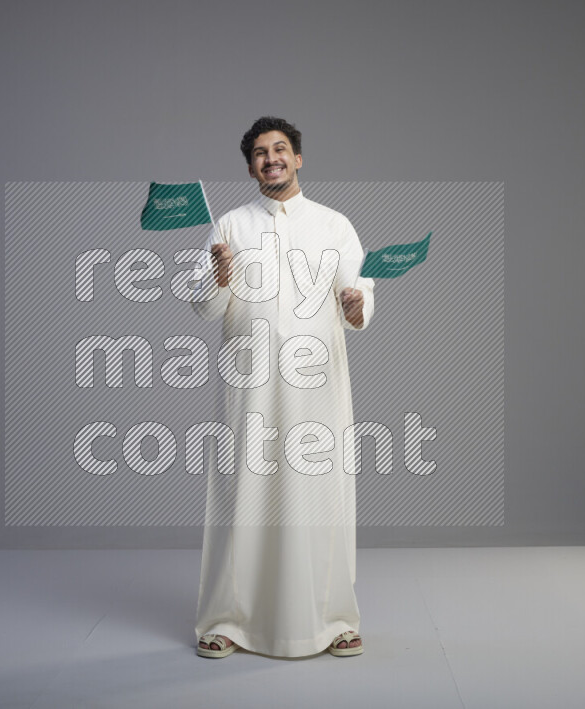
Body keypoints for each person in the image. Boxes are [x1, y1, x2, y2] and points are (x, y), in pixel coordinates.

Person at [190, 117, 375, 658]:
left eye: (281, 149)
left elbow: (358, 289)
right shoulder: (229, 225)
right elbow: (203, 307)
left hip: (316, 385)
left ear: (298, 160)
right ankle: (227, 620)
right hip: (249, 386)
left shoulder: (334, 225)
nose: (271, 158)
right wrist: (218, 277)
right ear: (250, 166)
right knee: (241, 497)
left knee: (322, 497)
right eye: (260, 153)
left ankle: (334, 617)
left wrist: (357, 304)